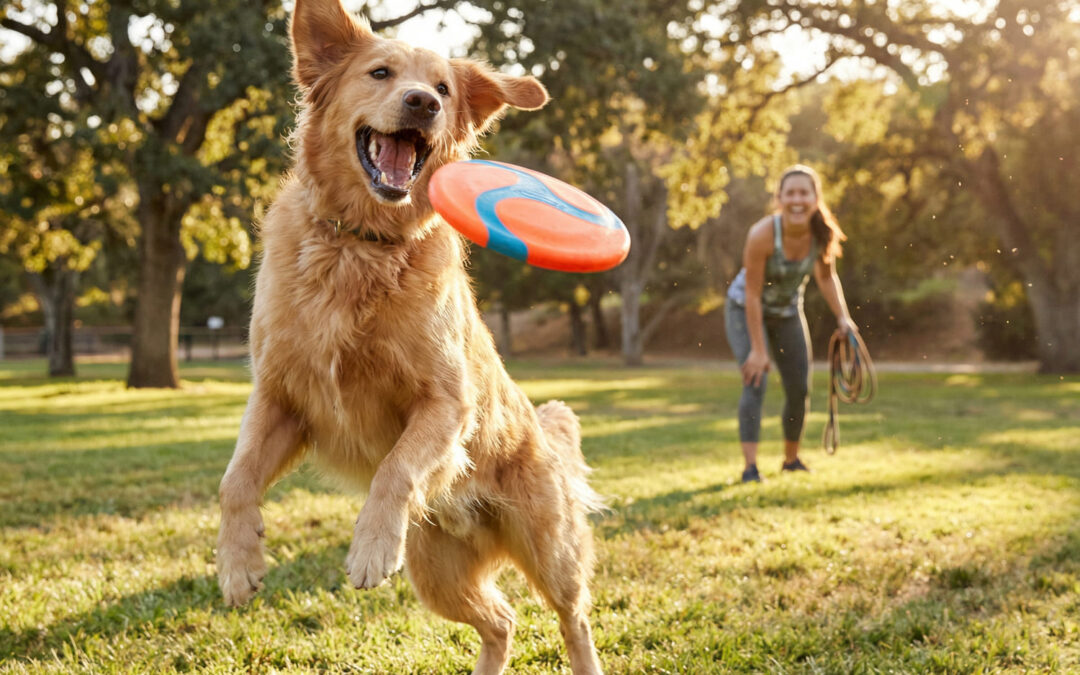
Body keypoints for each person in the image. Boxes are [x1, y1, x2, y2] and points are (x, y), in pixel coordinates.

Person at [725, 165, 857, 483]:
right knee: (755, 380)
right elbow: (753, 296)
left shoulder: (821, 233)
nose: (797, 200)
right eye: (791, 193)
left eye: (804, 193)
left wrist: (843, 317)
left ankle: (791, 459)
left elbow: (827, 278)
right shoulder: (762, 235)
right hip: (745, 309)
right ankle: (750, 468)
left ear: (815, 198)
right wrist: (758, 350)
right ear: (779, 198)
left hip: (787, 312)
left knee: (799, 387)